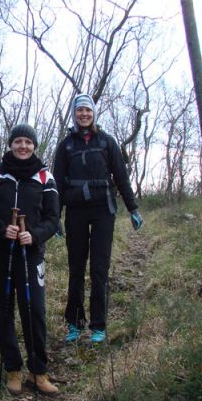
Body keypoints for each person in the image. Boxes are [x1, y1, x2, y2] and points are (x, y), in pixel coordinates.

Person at [0, 123, 60, 396]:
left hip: (30, 253)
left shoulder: (46, 177)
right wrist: (3, 229)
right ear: (10, 144)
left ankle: (39, 371)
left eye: (28, 142)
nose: (23, 146)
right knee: (3, 311)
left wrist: (34, 236)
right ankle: (13, 369)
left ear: (34, 146)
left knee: (34, 310)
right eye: (18, 141)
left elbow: (52, 219)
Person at [53, 94, 143, 344]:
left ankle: (98, 326)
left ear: (93, 113)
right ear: (74, 114)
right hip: (76, 211)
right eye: (79, 110)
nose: (84, 114)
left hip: (104, 210)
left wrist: (133, 208)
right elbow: (57, 183)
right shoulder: (66, 146)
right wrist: (55, 216)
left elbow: (121, 177)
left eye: (87, 110)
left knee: (99, 270)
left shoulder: (107, 142)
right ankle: (74, 323)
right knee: (76, 269)